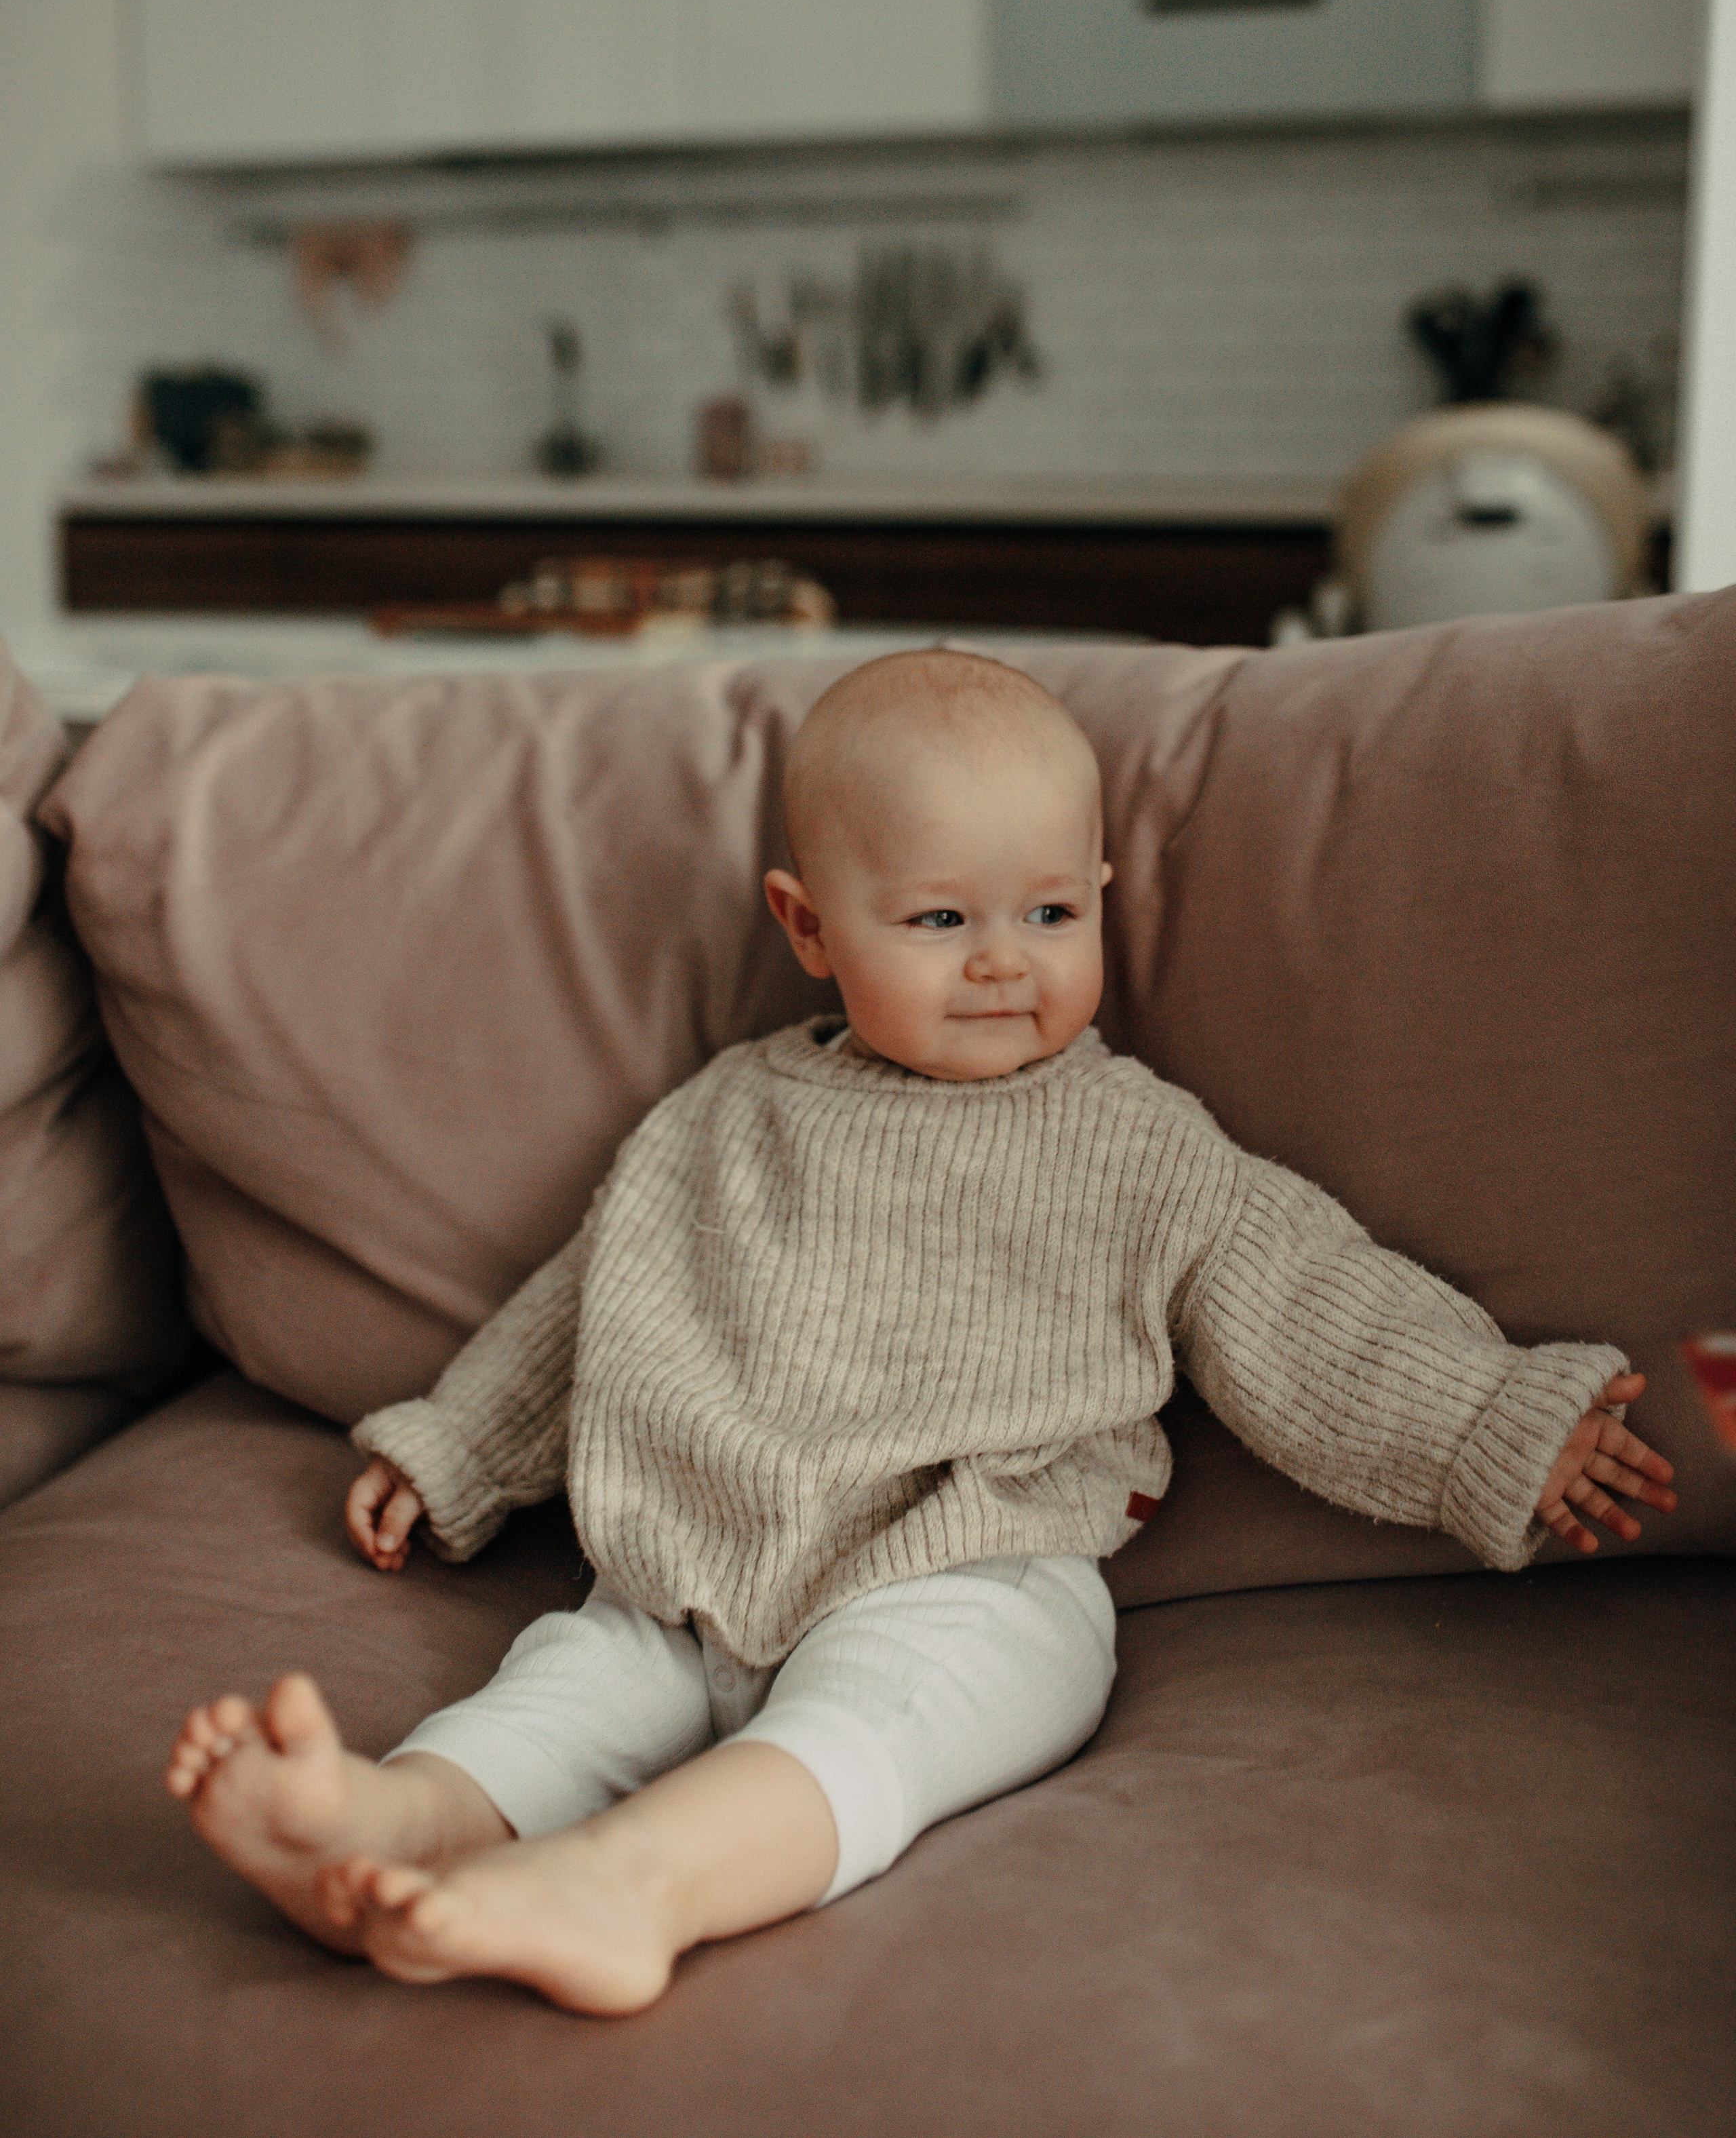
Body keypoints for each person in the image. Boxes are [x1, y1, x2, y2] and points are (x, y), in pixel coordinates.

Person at [165, 650, 1676, 2014]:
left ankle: (630, 1886)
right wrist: (457, 1446)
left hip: (973, 1564)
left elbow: (1305, 1299)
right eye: (941, 919)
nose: (1003, 960)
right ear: (809, 926)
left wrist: (1490, 1421)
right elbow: (591, 1302)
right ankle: (389, 1824)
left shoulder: (1135, 1142)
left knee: (884, 1714)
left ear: (1100, 895)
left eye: (1050, 913)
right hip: (691, 1571)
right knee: (568, 1687)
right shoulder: (722, 1120)